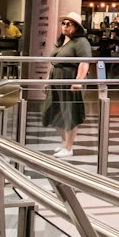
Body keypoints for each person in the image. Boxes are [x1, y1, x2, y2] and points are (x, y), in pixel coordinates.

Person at [43, 13, 92, 158]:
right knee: (56, 110)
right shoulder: (62, 41)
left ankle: (69, 146)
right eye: (63, 23)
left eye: (68, 24)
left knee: (70, 112)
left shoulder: (81, 42)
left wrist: (78, 80)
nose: (64, 26)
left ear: (76, 27)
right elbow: (55, 63)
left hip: (70, 78)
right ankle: (64, 143)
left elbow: (84, 62)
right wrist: (48, 79)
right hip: (57, 78)